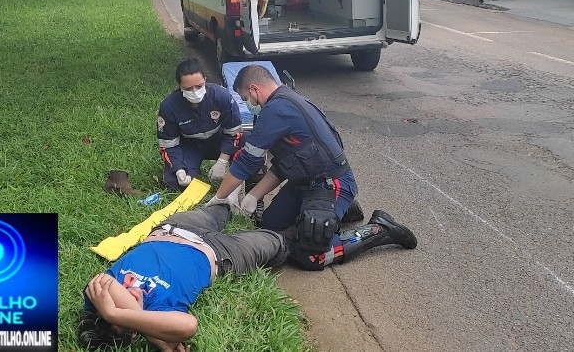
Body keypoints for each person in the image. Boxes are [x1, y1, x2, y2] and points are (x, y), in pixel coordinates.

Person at [206, 64, 417, 271]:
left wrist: (221, 197)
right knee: (269, 226)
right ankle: (344, 210)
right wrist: (253, 195)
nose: (247, 103)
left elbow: (247, 161)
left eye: (245, 98)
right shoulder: (286, 100)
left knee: (311, 256)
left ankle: (380, 228)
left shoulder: (276, 110)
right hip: (303, 181)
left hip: (330, 183)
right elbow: (283, 164)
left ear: (254, 89)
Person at [78, 203, 288, 351]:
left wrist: (113, 314)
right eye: (124, 317)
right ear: (135, 330)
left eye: (113, 306)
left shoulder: (98, 293)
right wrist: (117, 315)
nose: (127, 297)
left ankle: (239, 188)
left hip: (174, 228)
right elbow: (188, 326)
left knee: (221, 207)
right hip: (220, 253)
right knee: (276, 241)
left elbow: (104, 283)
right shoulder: (158, 313)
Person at [157, 58, 243, 189]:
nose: (195, 92)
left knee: (250, 148)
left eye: (199, 86)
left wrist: (223, 160)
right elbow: (168, 144)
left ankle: (240, 177)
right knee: (173, 182)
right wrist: (179, 168)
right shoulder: (169, 106)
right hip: (190, 146)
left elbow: (234, 132)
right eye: (188, 88)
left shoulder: (222, 96)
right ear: (179, 86)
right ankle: (189, 169)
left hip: (219, 141)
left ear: (205, 80)